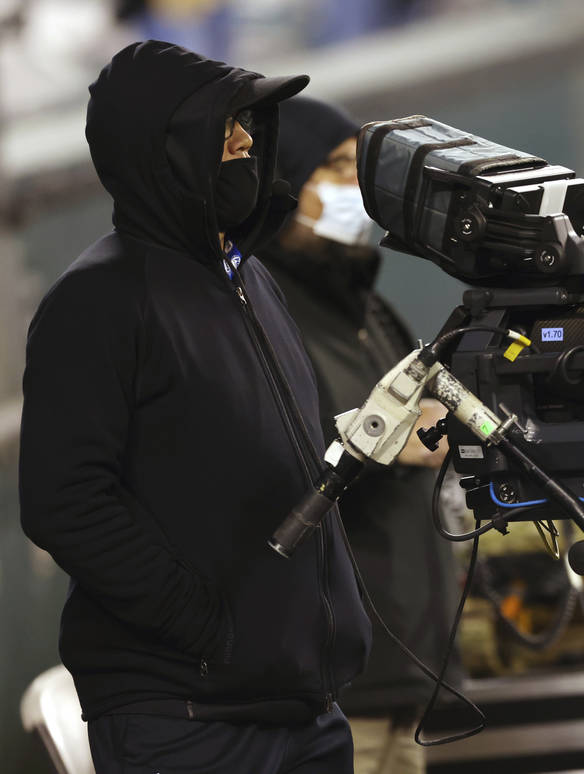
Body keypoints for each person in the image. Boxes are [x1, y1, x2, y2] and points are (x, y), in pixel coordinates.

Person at [19, 41, 371, 773]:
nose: (246, 140)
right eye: (225, 125)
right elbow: (64, 503)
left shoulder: (249, 281)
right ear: (166, 149)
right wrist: (211, 629)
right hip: (188, 721)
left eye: (248, 121)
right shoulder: (100, 300)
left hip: (301, 708)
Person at [257, 95, 461, 774]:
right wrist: (379, 443)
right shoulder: (259, 310)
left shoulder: (369, 308)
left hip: (410, 667)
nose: (356, 191)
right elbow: (250, 454)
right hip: (333, 689)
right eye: (336, 170)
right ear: (282, 184)